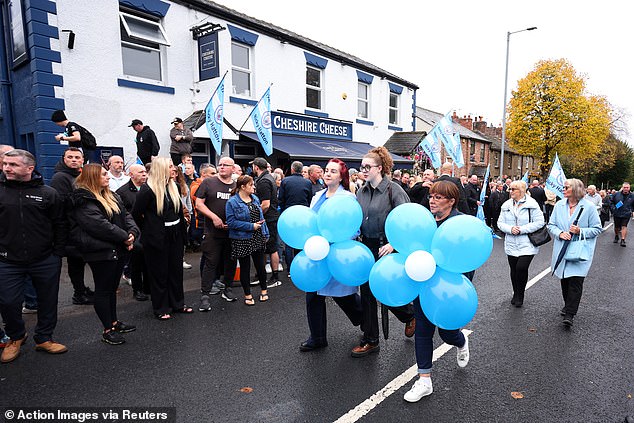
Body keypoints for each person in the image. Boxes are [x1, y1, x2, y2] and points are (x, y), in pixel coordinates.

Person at [403, 181, 470, 402]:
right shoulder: (426, 223)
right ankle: (424, 380)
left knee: (447, 333)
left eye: (438, 197)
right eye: (431, 196)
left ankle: (460, 342)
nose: (432, 200)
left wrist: (458, 288)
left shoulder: (459, 225)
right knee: (423, 331)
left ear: (451, 201)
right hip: (424, 284)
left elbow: (467, 262)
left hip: (449, 289)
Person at [0, 149, 68, 363]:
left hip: (45, 259)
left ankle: (44, 338)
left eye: (13, 164)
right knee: (9, 303)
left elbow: (60, 224)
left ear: (30, 168)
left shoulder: (47, 193)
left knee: (47, 301)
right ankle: (16, 336)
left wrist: (57, 253)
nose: (6, 168)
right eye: (5, 164)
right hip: (7, 260)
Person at [354, 146, 415, 357]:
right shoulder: (361, 191)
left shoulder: (394, 190)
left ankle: (409, 315)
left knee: (385, 290)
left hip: (386, 247)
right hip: (366, 246)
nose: (363, 170)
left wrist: (393, 244)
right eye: (361, 166)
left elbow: (407, 220)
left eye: (367, 166)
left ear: (379, 168)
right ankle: (371, 340)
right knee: (367, 292)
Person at [70, 164, 139, 345]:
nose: (108, 176)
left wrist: (132, 233)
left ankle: (114, 322)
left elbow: (126, 216)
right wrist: (125, 238)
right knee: (103, 290)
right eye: (103, 174)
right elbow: (99, 225)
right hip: (100, 252)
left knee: (111, 289)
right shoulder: (83, 199)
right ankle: (107, 329)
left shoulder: (111, 195)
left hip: (118, 249)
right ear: (92, 177)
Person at [300, 158, 363, 352]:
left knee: (344, 297)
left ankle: (365, 321)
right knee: (313, 295)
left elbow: (354, 228)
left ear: (341, 176)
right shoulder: (317, 195)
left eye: (333, 171)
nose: (328, 174)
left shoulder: (348, 198)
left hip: (338, 254)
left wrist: (336, 240)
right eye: (326, 170)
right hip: (317, 253)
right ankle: (317, 337)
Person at [132, 158, 193, 320]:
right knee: (159, 273)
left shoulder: (173, 187)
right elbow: (136, 214)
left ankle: (178, 304)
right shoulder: (147, 190)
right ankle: (161, 307)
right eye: (170, 166)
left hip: (176, 235)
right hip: (157, 238)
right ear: (162, 169)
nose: (174, 169)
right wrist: (150, 229)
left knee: (176, 271)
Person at [547, 178, 602, 327]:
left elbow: (597, 229)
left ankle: (570, 314)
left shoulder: (589, 207)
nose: (563, 189)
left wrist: (580, 231)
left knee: (576, 281)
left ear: (576, 189)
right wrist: (560, 233)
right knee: (565, 279)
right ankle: (567, 305)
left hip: (580, 250)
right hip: (562, 248)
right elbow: (551, 225)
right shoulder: (559, 205)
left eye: (566, 187)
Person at [49, 147, 95, 306]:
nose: (74, 160)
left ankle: (82, 289)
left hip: (81, 225)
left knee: (80, 261)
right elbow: (63, 204)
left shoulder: (79, 175)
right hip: (70, 227)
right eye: (70, 157)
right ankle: (79, 293)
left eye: (77, 157)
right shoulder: (60, 177)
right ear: (64, 159)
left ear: (82, 160)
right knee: (75, 261)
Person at [195, 156, 239, 311]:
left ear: (233, 169)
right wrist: (214, 217)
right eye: (220, 165)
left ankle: (227, 289)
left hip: (232, 233)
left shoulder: (236, 185)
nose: (221, 167)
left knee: (230, 262)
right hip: (212, 232)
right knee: (210, 263)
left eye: (225, 165)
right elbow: (198, 204)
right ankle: (205, 295)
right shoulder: (209, 182)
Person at [497, 180, 545, 307]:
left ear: (521, 190)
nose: (510, 191)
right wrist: (510, 229)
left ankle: (520, 294)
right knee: (513, 269)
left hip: (527, 242)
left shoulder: (532, 204)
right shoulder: (506, 205)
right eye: (510, 189)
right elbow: (500, 223)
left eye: (513, 189)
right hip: (511, 242)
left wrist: (522, 229)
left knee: (521, 268)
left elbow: (540, 222)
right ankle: (516, 293)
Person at [225, 175, 270, 306]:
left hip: (258, 237)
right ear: (243, 187)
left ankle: (264, 290)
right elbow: (231, 222)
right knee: (245, 267)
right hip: (241, 238)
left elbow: (261, 218)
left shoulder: (254, 198)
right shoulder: (232, 202)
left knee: (260, 266)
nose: (254, 187)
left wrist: (264, 233)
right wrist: (251, 226)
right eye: (251, 185)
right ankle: (248, 294)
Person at [116, 164, 150, 301]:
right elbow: (122, 215)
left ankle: (149, 287)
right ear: (131, 175)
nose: (144, 174)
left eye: (145, 172)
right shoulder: (122, 192)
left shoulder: (149, 188)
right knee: (136, 262)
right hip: (134, 231)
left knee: (150, 260)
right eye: (140, 172)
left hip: (149, 229)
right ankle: (138, 289)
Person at [251, 157, 282, 288]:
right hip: (270, 217)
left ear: (256, 167)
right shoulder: (268, 178)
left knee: (271, 248)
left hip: (268, 218)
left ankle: (275, 277)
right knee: (263, 248)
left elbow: (265, 204)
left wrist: (256, 217)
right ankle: (261, 275)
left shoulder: (263, 181)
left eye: (253, 166)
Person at [278, 161, 312, 272]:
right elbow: (310, 199)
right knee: (301, 241)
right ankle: (300, 266)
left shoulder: (285, 181)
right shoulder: (307, 182)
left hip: (289, 214)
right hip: (304, 214)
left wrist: (283, 212)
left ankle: (290, 268)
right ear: (301, 170)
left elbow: (281, 199)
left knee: (289, 242)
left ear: (292, 169)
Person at [610, 182, 633, 247]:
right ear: (622, 188)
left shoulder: (632, 196)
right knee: (617, 227)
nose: (626, 189)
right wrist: (613, 208)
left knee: (624, 226)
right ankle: (616, 235)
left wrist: (631, 211)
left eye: (627, 187)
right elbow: (611, 202)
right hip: (617, 213)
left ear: (629, 188)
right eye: (624, 187)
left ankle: (623, 240)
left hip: (626, 214)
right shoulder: (616, 194)